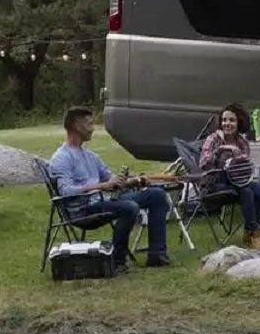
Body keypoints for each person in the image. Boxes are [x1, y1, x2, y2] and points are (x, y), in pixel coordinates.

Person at [48, 106, 171, 272]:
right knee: (129, 207)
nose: (93, 128)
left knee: (156, 195)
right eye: (89, 124)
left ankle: (157, 255)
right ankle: (117, 261)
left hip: (103, 201)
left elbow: (110, 179)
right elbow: (66, 192)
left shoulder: (90, 156)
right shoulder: (62, 158)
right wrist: (101, 186)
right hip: (83, 210)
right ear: (76, 125)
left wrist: (133, 180)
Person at [199, 103, 260, 249]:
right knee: (246, 191)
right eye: (224, 120)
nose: (227, 124)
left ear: (239, 123)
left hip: (238, 180)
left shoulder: (242, 142)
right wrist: (220, 150)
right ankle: (254, 232)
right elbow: (203, 164)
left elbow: (244, 169)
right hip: (216, 182)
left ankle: (249, 230)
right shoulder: (213, 139)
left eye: (231, 120)